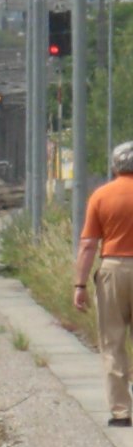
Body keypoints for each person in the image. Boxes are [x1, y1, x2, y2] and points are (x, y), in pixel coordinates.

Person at [73, 140, 133, 427]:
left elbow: (87, 245)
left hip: (112, 269)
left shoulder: (101, 196)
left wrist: (80, 285)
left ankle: (121, 412)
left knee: (112, 342)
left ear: (114, 166)